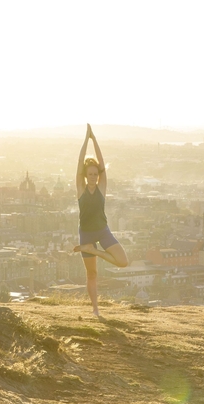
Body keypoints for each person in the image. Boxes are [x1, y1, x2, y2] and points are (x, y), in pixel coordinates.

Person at [74, 124, 129, 316]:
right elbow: (80, 161)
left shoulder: (101, 188)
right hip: (86, 233)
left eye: (95, 174)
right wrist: (85, 139)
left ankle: (93, 251)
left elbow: (102, 164)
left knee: (122, 262)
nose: (92, 177)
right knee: (92, 274)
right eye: (90, 174)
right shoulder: (80, 189)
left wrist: (94, 140)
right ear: (85, 175)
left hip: (102, 231)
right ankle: (95, 309)